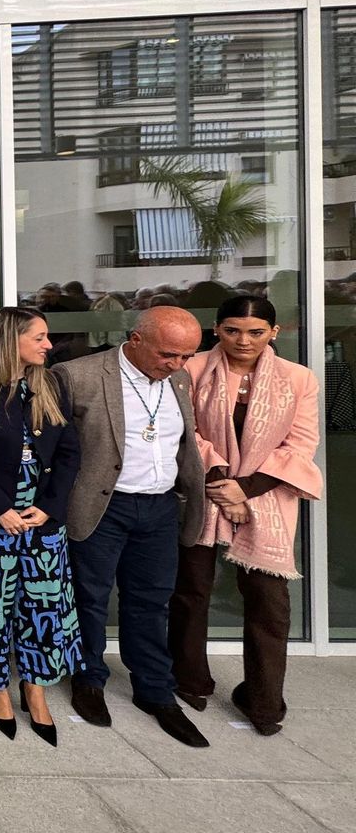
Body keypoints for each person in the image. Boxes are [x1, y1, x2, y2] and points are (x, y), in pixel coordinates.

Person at [55, 305, 209, 748]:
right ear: (136, 340)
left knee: (152, 600)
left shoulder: (179, 379)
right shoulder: (78, 375)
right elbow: (58, 449)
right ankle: (88, 679)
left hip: (159, 506)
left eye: (186, 356)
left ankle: (154, 689)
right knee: (89, 597)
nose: (176, 364)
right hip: (103, 505)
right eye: (168, 354)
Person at [169, 296, 321, 736]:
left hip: (266, 499)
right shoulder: (192, 368)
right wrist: (222, 482)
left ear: (274, 333)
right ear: (217, 329)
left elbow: (300, 446)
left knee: (270, 605)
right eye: (233, 330)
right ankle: (191, 681)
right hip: (203, 490)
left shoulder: (298, 378)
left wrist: (246, 490)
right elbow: (185, 433)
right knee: (190, 591)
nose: (243, 340)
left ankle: (264, 703)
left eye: (256, 332)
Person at [0, 307, 84, 746]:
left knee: (42, 610)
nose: (49, 345)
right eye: (40, 337)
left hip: (41, 524)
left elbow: (69, 451)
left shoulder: (50, 385)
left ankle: (35, 689)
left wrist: (48, 508)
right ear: (12, 339)